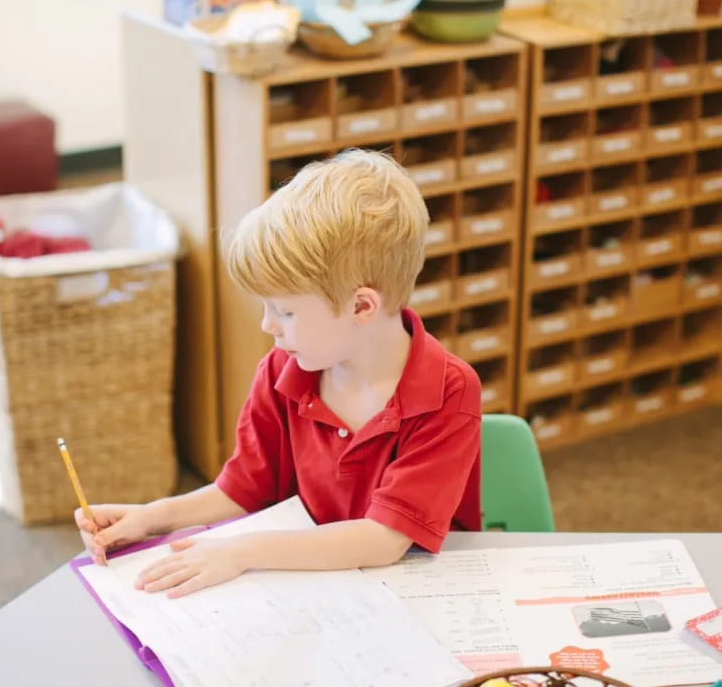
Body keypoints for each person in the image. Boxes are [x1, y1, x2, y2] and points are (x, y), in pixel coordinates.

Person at [76, 149, 481, 598]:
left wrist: (240, 551)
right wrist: (152, 517)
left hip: (420, 594)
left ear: (362, 306)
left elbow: (383, 540)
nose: (267, 325)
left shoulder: (447, 389)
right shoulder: (283, 369)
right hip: (318, 587)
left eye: (285, 311)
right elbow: (244, 489)